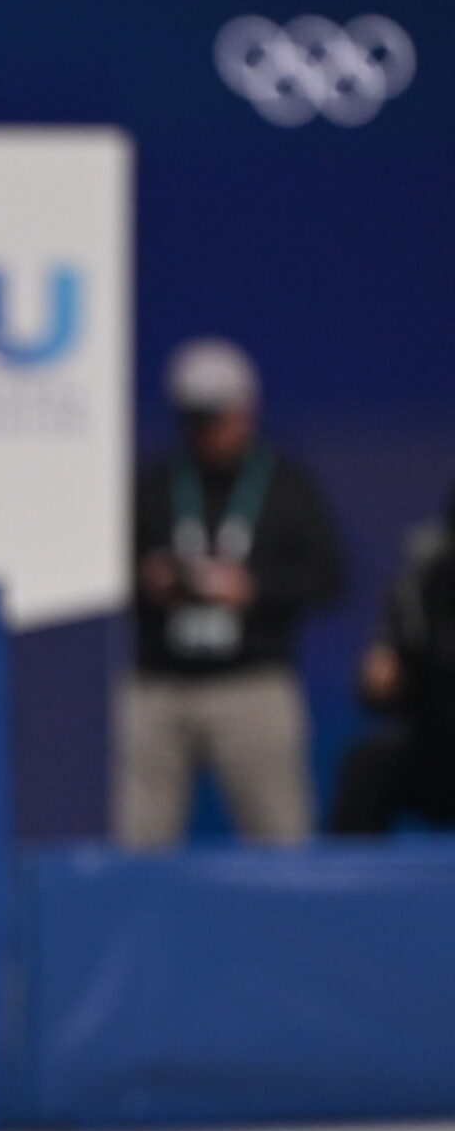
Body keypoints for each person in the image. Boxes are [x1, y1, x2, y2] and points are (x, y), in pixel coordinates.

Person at [116, 338, 345, 849]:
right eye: (196, 421)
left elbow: (330, 577)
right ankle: (138, 933)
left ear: (248, 412)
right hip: (161, 684)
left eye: (220, 418)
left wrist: (254, 590)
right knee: (140, 844)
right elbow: (107, 571)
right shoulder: (154, 485)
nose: (210, 434)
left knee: (280, 840)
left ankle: (290, 931)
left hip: (253, 682)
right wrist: (147, 579)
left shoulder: (286, 486)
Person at [330, 500, 455, 834]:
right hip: (438, 744)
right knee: (367, 766)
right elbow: (383, 687)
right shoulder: (424, 583)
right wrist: (380, 680)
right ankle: (349, 882)